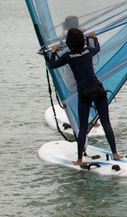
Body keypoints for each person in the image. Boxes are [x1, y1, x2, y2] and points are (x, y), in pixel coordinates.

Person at [46, 17, 120, 166]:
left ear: (68, 44)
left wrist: (53, 52)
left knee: (82, 128)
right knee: (106, 123)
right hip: (99, 90)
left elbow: (52, 65)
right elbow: (97, 48)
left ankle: (79, 159)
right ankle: (115, 154)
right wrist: (94, 38)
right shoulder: (87, 51)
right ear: (82, 41)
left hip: (85, 94)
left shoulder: (68, 56)